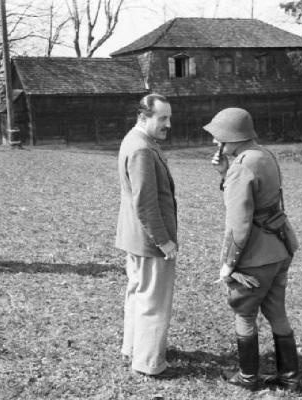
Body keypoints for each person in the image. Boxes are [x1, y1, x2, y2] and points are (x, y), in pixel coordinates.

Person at [204, 107, 300, 391]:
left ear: (232, 138)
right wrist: (226, 173)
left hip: (256, 255)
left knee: (244, 313)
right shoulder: (264, 155)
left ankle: (247, 378)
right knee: (277, 312)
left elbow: (238, 225)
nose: (214, 141)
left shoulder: (241, 167)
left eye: (217, 136)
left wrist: (228, 265)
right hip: (281, 248)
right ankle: (290, 378)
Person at [116, 93, 178, 378]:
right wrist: (163, 240)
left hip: (135, 236)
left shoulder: (135, 139)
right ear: (144, 117)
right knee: (153, 301)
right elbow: (145, 202)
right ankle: (149, 362)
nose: (168, 124)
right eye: (162, 118)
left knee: (138, 296)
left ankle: (133, 348)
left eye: (169, 117)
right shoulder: (141, 148)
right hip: (149, 240)